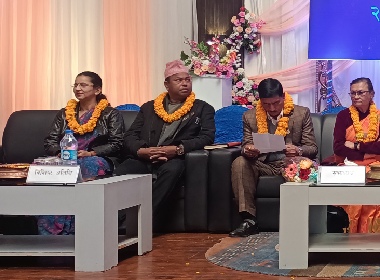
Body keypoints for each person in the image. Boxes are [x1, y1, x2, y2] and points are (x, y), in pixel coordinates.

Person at [116, 61, 216, 231]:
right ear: (166, 85)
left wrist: (178, 149)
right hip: (146, 157)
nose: (185, 83)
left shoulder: (202, 108)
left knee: (172, 170)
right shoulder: (149, 108)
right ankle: (114, 221)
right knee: (124, 169)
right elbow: (130, 135)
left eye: (187, 80)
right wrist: (142, 151)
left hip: (174, 158)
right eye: (178, 80)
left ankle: (142, 222)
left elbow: (207, 137)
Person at [39, 71, 125, 235]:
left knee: (86, 165)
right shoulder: (64, 113)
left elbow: (117, 143)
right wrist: (59, 152)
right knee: (43, 167)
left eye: (83, 85)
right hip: (65, 158)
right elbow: (50, 141)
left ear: (97, 90)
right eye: (76, 85)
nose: (78, 88)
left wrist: (91, 153)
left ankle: (79, 231)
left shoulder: (110, 114)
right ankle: (49, 234)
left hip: (97, 158)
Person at [229, 79, 318, 237]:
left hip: (290, 163)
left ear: (283, 97)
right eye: (266, 104)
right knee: (240, 162)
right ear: (260, 101)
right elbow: (246, 144)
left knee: (304, 165)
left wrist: (298, 150)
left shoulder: (301, 113)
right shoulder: (249, 117)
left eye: (276, 103)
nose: (272, 108)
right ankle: (249, 220)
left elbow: (312, 148)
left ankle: (299, 222)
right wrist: (248, 150)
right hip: (263, 163)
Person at [322, 77, 380, 233]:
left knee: (377, 190)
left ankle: (376, 237)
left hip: (377, 167)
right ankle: (352, 235)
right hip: (350, 165)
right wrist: (366, 154)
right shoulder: (343, 116)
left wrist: (356, 145)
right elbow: (338, 147)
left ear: (371, 94)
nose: (356, 96)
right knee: (354, 189)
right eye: (353, 93)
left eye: (360, 92)